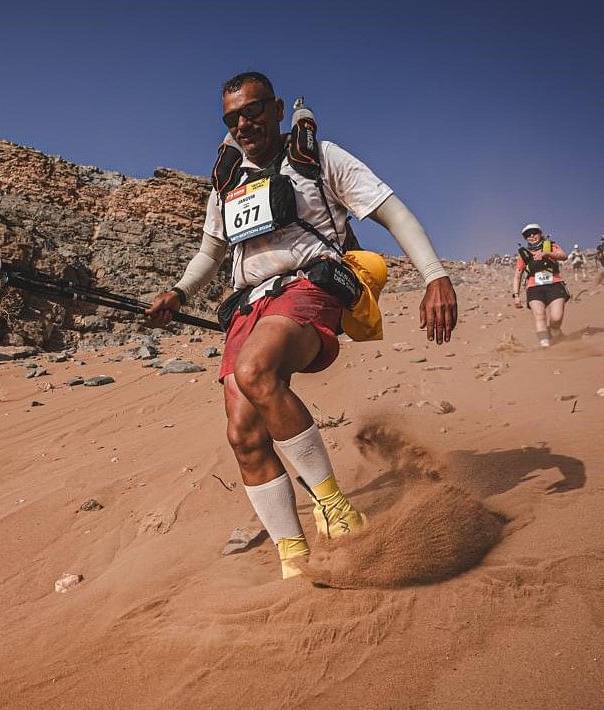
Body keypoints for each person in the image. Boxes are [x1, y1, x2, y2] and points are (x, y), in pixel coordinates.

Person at [145, 71, 457, 580]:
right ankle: (295, 557)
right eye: (232, 118)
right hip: (249, 303)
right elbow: (212, 252)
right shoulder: (227, 181)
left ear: (277, 108)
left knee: (255, 370)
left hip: (309, 287)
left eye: (252, 111)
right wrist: (179, 292)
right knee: (243, 432)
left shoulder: (318, 158)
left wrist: (435, 276)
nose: (243, 124)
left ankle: (335, 508)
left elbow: (392, 211)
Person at [513, 223, 570, 347]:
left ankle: (554, 330)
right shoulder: (524, 254)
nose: (531, 236)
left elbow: (564, 256)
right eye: (527, 235)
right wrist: (516, 295)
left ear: (540, 233)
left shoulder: (550, 246)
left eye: (534, 232)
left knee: (556, 317)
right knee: (540, 315)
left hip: (554, 284)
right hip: (534, 288)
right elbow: (517, 276)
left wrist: (547, 254)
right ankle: (545, 345)